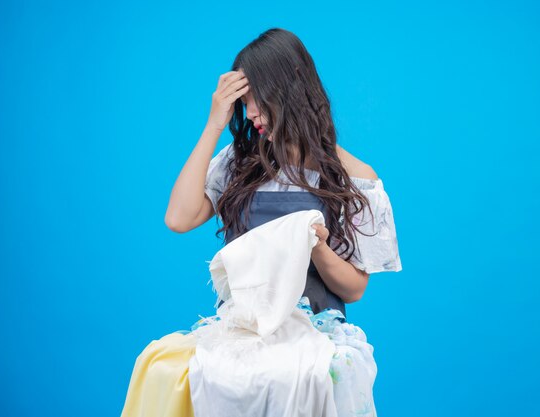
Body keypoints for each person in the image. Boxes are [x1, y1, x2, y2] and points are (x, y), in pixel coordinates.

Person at [121, 28, 402, 417]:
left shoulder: (353, 177)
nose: (250, 113)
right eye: (246, 102)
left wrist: (318, 247)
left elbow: (353, 289)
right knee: (158, 366)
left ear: (291, 93)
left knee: (298, 381)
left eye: (259, 101)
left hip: (313, 331)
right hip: (241, 336)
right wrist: (214, 124)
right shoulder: (239, 164)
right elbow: (178, 218)